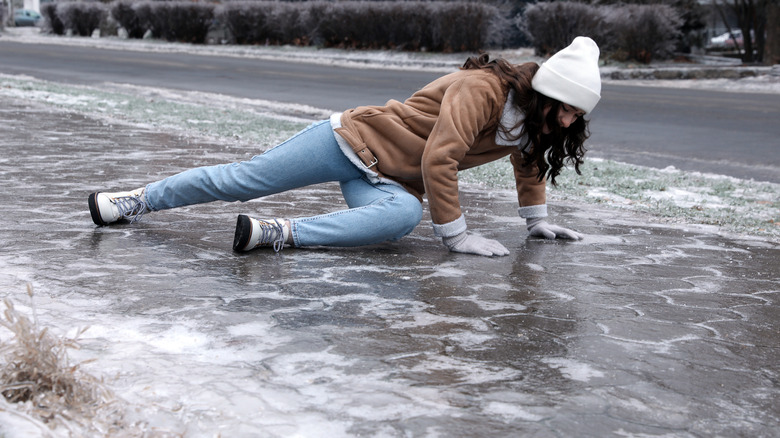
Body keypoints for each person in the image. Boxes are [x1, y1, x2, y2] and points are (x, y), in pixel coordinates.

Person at [88, 36, 602, 257]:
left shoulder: (534, 122)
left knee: (399, 219)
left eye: (579, 113)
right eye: (569, 108)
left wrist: (536, 222)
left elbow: (528, 161)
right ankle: (134, 200)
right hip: (350, 140)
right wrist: (457, 237)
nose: (571, 119)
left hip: (390, 179)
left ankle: (275, 234)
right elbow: (440, 157)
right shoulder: (483, 90)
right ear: (545, 94)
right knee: (242, 181)